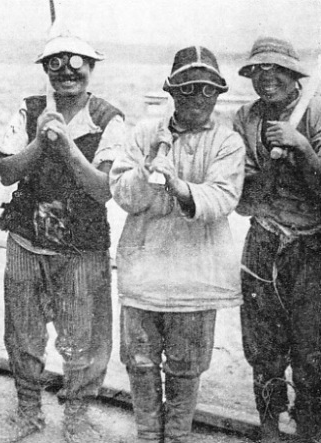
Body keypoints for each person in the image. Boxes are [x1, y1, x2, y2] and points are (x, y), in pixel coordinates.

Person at [0, 31, 125, 443]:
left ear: (91, 69)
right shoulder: (29, 110)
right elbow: (7, 172)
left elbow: (103, 188)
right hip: (28, 241)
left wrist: (65, 144)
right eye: (56, 64)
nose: (67, 73)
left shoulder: (108, 118)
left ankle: (77, 416)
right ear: (46, 70)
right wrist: (39, 139)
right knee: (23, 334)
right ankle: (28, 411)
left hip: (82, 247)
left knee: (83, 337)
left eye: (77, 63)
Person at [110, 46, 245, 443]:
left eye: (206, 89)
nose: (197, 98)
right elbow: (123, 196)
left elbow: (223, 199)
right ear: (171, 91)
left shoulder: (228, 142)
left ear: (218, 94)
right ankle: (149, 436)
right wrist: (146, 168)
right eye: (187, 88)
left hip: (196, 277)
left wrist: (177, 185)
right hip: (143, 274)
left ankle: (179, 436)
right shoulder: (144, 134)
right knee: (139, 362)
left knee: (186, 367)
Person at [233, 37, 321, 443]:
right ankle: (268, 430)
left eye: (277, 71)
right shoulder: (245, 119)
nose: (267, 80)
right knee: (263, 351)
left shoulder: (317, 112)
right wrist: (268, 164)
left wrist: (302, 147)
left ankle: (308, 432)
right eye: (259, 72)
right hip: (264, 241)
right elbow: (243, 202)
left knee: (312, 354)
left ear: (294, 74)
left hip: (312, 246)